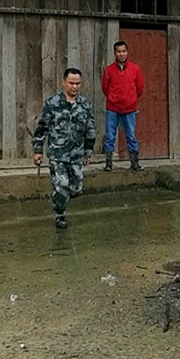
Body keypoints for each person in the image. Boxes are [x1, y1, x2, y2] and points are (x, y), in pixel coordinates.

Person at [32, 68, 96, 229]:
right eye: (71, 83)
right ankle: (60, 214)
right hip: (57, 154)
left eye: (78, 83)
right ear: (63, 83)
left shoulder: (85, 105)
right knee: (61, 187)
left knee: (76, 188)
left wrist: (88, 151)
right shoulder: (52, 103)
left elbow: (90, 129)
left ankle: (58, 198)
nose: (75, 87)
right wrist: (38, 150)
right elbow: (42, 128)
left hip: (76, 154)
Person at [102, 41, 145, 172]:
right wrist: (113, 98)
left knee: (131, 136)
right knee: (110, 136)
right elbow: (105, 88)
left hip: (130, 109)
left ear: (127, 52)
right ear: (114, 53)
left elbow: (140, 88)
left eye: (124, 51)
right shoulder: (108, 70)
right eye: (119, 51)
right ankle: (109, 164)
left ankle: (134, 163)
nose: (121, 54)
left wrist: (130, 99)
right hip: (112, 108)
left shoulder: (135, 69)